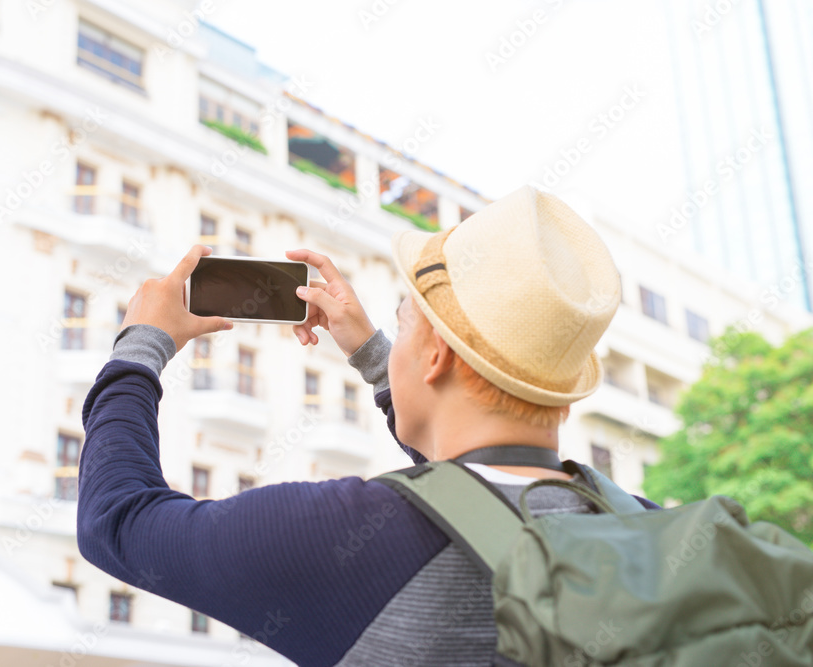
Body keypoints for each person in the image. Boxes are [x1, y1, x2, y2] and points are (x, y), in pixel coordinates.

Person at [76, 184, 661, 666]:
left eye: (403, 324)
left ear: (433, 358)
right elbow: (472, 493)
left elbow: (118, 521)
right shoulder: (649, 534)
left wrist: (140, 348)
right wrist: (383, 358)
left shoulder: (338, 534)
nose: (393, 339)